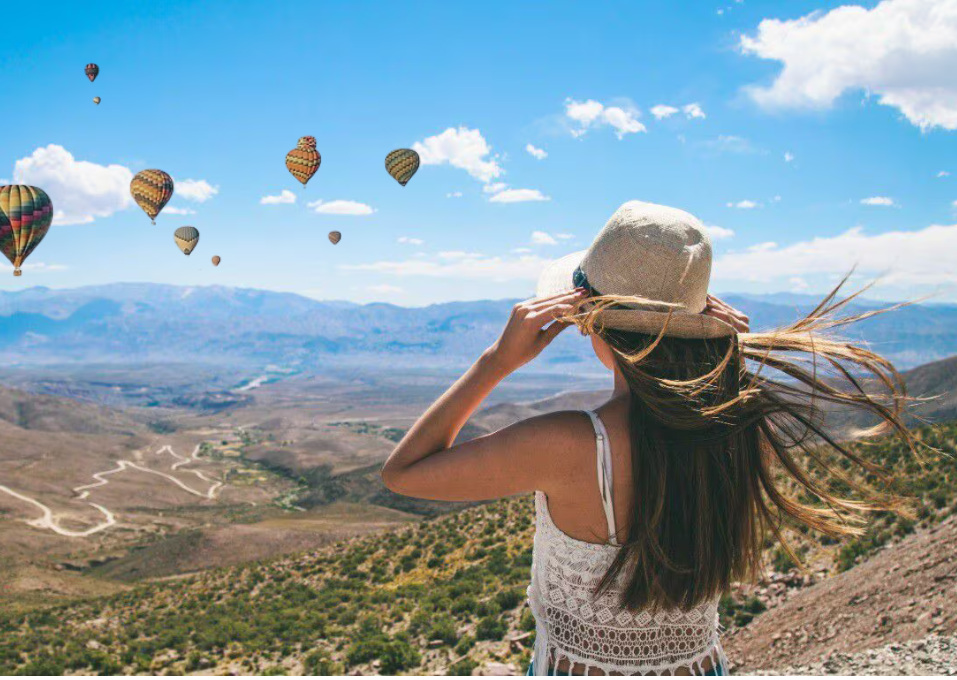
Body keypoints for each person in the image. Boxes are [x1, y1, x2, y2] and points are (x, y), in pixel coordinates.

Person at [381, 201, 917, 676]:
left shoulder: (569, 444)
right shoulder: (736, 425)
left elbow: (403, 472)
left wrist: (496, 362)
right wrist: (709, 336)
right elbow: (718, 384)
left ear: (591, 320)